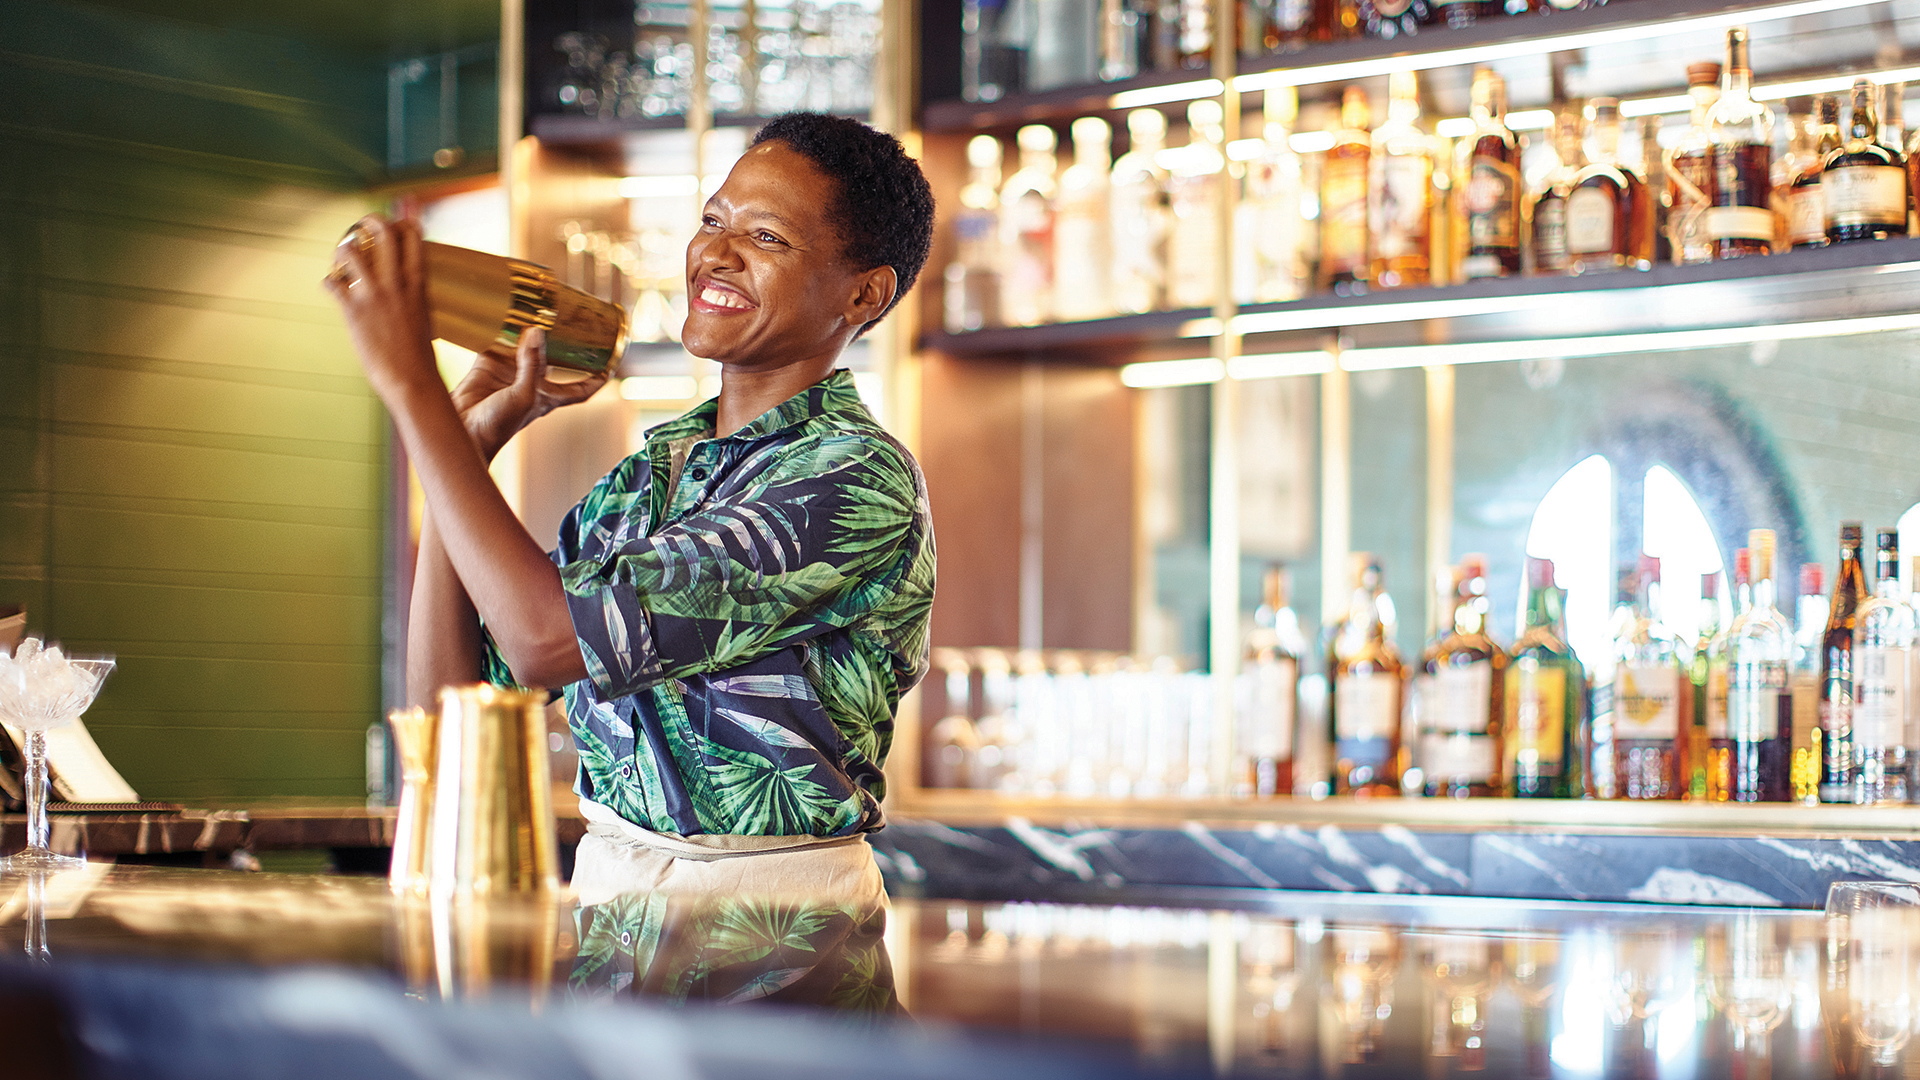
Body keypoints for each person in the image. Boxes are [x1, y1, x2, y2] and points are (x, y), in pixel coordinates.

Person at [326, 112, 937, 903]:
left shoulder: (851, 477)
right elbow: (455, 721)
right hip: (610, 919)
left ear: (865, 291)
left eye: (766, 237)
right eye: (712, 220)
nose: (715, 254)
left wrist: (413, 393)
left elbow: (547, 641)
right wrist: (467, 442)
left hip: (780, 938)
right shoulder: (644, 479)